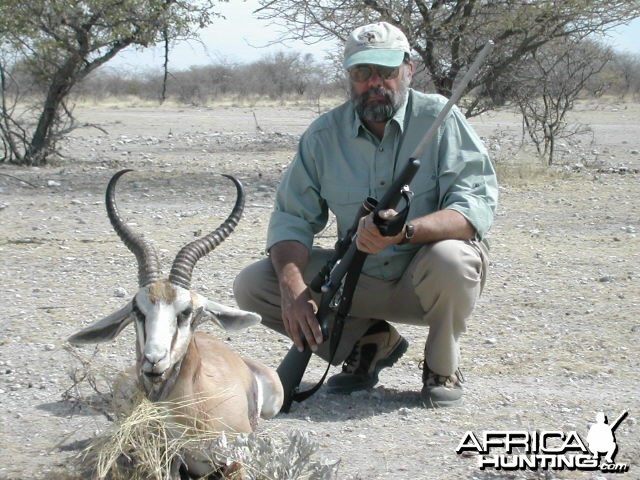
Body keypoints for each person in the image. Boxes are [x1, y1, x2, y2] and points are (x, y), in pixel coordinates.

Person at [233, 21, 498, 408]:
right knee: (253, 284)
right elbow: (292, 219)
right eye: (362, 72)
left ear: (408, 69)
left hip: (426, 281)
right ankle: (368, 341)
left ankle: (442, 365)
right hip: (355, 283)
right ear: (349, 77)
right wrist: (292, 289)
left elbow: (474, 210)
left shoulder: (441, 119)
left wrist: (403, 233)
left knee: (453, 258)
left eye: (387, 71)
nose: (376, 82)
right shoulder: (323, 136)